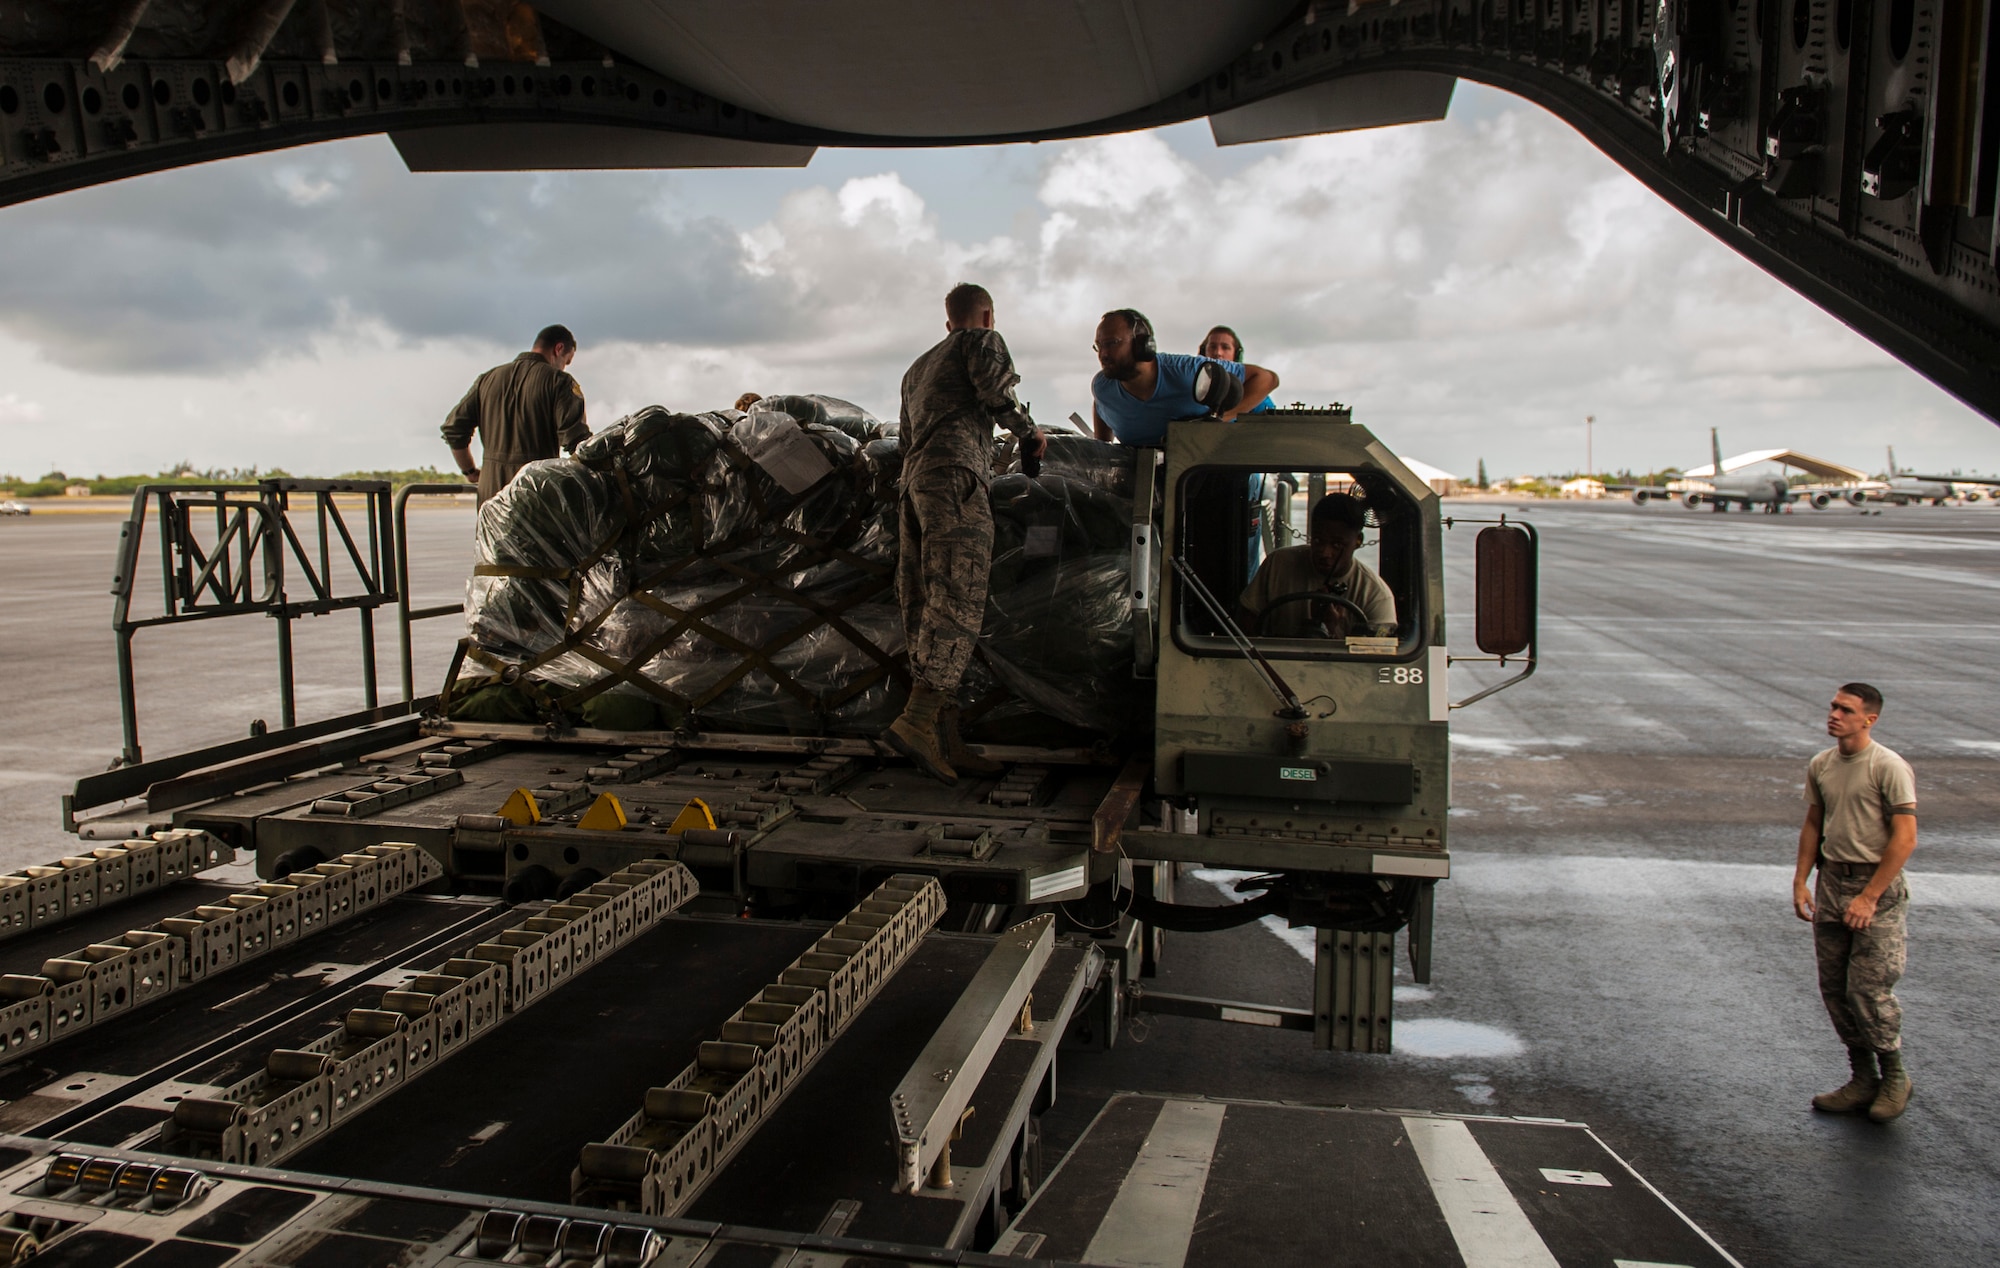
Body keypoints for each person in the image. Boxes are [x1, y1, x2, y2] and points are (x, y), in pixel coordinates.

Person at [887, 283, 1046, 783]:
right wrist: (1029, 433)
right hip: (957, 479)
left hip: (914, 488)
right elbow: (997, 394)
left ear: (947, 319)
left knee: (924, 603)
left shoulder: (916, 369)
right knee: (959, 597)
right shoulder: (981, 340)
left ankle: (944, 737)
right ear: (986, 315)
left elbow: (907, 440)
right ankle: (916, 721)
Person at [1793, 682, 1918, 1122]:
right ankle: (1862, 1078)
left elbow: (1905, 838)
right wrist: (1801, 880)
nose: (1833, 714)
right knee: (1835, 990)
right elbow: (1813, 823)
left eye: (1845, 709)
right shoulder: (1822, 764)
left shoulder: (1888, 766)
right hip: (1832, 881)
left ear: (1869, 719)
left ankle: (1895, 1077)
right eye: (1832, 706)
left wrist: (1870, 896)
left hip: (1874, 888)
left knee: (1868, 990)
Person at [441, 324, 590, 504]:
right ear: (559, 349)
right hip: (535, 496)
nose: (564, 368)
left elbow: (453, 428)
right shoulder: (559, 381)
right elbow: (579, 444)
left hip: (491, 496)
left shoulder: (488, 379)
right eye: (567, 361)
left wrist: (470, 472)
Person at [1091, 309, 1278, 445]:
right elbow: (1100, 403)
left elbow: (1266, 378)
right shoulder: (1102, 387)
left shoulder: (1188, 371)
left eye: (1111, 343)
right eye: (1099, 346)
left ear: (1143, 344)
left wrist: (1217, 422)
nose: (1103, 354)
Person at [1237, 493, 1396, 639]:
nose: (1325, 552)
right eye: (1318, 541)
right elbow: (1246, 623)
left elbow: (1376, 658)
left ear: (1358, 541)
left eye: (1336, 544)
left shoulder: (1376, 596)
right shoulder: (1277, 564)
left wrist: (1333, 629)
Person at [1197, 325, 1276, 414]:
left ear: (1236, 354)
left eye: (1225, 347)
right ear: (1204, 351)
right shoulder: (1191, 385)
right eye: (1213, 347)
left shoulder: (1252, 391)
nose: (1218, 353)